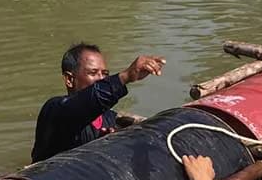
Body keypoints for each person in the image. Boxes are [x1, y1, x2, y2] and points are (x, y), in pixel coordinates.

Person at [31, 43, 166, 163]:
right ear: (69, 79)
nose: (101, 79)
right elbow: (90, 99)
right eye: (93, 73)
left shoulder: (110, 118)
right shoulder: (55, 110)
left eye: (105, 74)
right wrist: (126, 76)